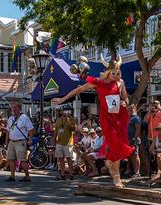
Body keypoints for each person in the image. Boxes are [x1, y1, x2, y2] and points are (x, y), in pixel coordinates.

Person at [51, 55, 134, 188]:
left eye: (118, 72)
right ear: (107, 72)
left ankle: (111, 164)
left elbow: (126, 98)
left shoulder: (121, 83)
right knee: (114, 145)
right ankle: (117, 178)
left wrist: (125, 102)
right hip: (107, 119)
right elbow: (79, 89)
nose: (116, 75)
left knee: (120, 146)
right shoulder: (98, 82)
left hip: (118, 117)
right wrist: (62, 99)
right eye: (113, 72)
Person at [5, 101, 35, 182]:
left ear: (19, 108)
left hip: (20, 141)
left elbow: (31, 129)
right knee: (10, 159)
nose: (13, 109)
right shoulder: (10, 118)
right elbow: (7, 131)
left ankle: (27, 176)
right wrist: (6, 142)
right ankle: (12, 176)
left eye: (15, 108)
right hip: (11, 141)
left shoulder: (24, 117)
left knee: (22, 160)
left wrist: (30, 139)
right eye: (12, 108)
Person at [53, 109, 76, 180]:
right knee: (61, 159)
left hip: (68, 143)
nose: (64, 112)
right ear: (60, 112)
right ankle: (62, 174)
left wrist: (69, 116)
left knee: (69, 159)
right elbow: (56, 131)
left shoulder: (70, 119)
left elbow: (74, 128)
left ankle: (71, 174)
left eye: (66, 111)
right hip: (59, 142)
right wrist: (54, 141)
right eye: (63, 111)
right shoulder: (58, 120)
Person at [126, 104, 141, 178]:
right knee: (128, 155)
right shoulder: (127, 117)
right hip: (127, 139)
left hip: (134, 139)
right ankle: (128, 170)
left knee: (135, 155)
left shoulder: (135, 118)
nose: (130, 110)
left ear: (134, 109)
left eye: (131, 108)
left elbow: (138, 130)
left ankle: (137, 172)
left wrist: (134, 138)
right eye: (129, 109)